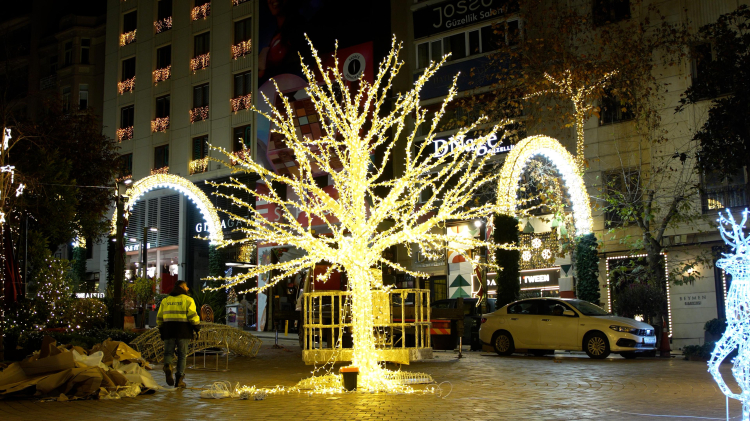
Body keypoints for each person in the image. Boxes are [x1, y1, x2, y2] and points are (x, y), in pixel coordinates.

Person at [156, 280, 200, 388]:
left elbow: (159, 318)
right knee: (182, 356)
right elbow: (192, 316)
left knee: (168, 354)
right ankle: (179, 380)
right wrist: (197, 328)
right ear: (181, 287)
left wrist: (162, 330)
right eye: (186, 286)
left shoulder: (165, 300)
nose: (188, 289)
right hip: (183, 331)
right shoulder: (188, 300)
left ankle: (168, 366)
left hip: (168, 330)